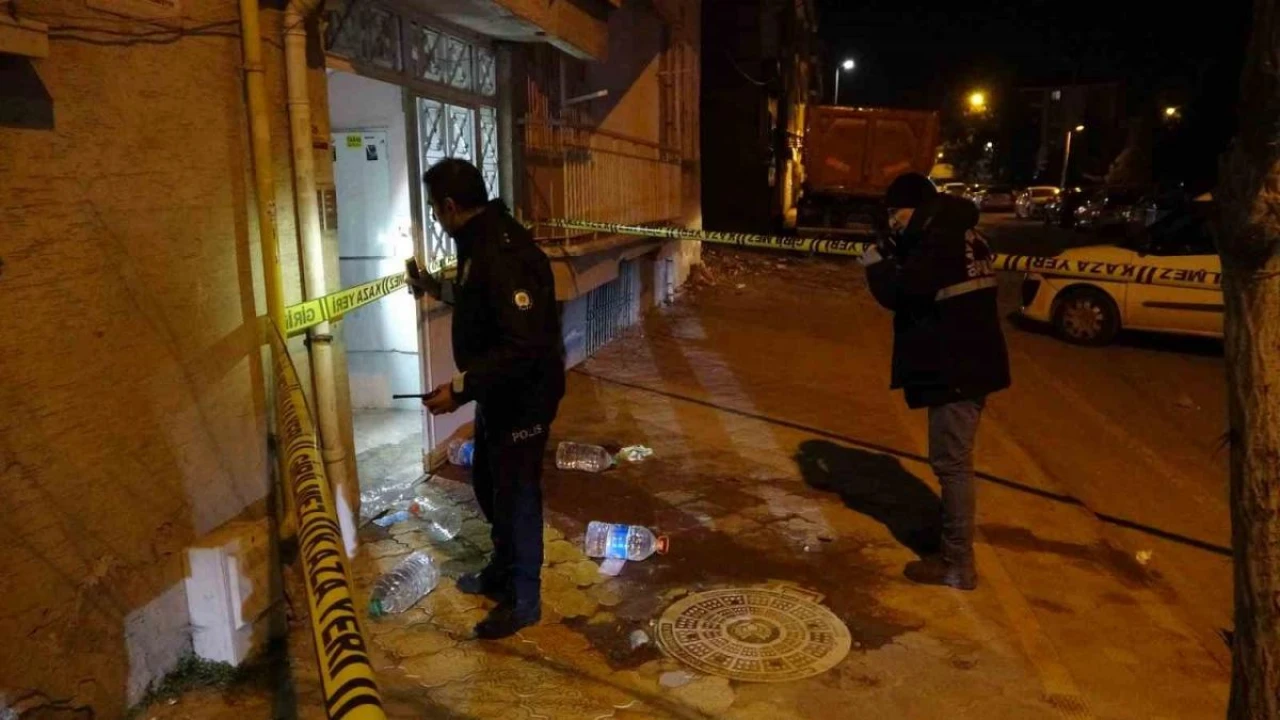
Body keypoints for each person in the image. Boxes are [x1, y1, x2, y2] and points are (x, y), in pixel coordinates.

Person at [412, 158, 565, 638]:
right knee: (487, 480)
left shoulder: (503, 252)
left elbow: (523, 345)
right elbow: (479, 299)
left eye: (435, 209)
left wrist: (459, 390)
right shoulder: (478, 243)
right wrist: (434, 288)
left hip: (525, 395)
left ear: (450, 206)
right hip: (498, 393)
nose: (436, 217)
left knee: (517, 493)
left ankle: (524, 599)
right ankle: (503, 569)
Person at [858, 172, 1010, 590]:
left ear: (917, 208)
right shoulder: (960, 233)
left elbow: (902, 294)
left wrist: (875, 264)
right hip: (971, 362)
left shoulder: (939, 240)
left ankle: (957, 563)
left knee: (952, 465)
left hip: (957, 367)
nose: (893, 220)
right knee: (953, 462)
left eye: (897, 212)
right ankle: (951, 545)